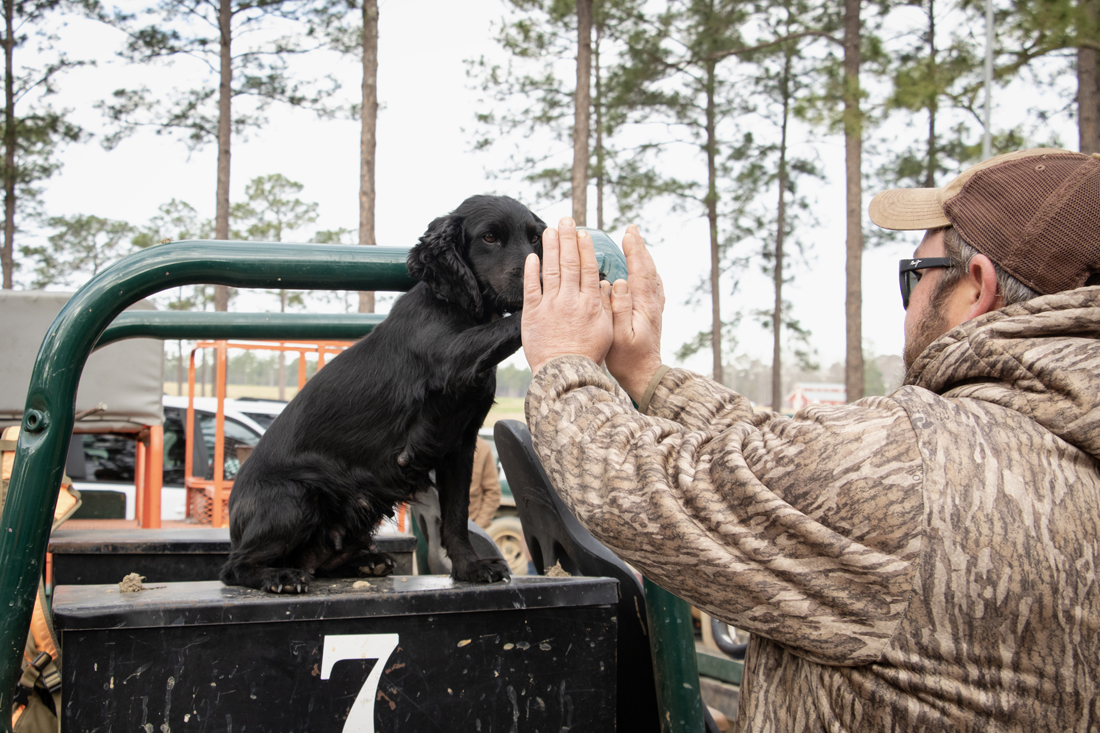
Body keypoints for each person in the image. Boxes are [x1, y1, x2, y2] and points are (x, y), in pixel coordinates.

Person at [519, 148, 1100, 731]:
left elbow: (640, 486)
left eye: (915, 275)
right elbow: (784, 457)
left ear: (977, 288)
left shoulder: (920, 463)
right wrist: (647, 376)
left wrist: (566, 361)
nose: (910, 300)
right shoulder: (1045, 445)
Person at [468, 436, 501, 529]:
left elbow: (493, 493)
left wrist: (477, 527)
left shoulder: (482, 448)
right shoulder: (436, 445)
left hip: (469, 529)